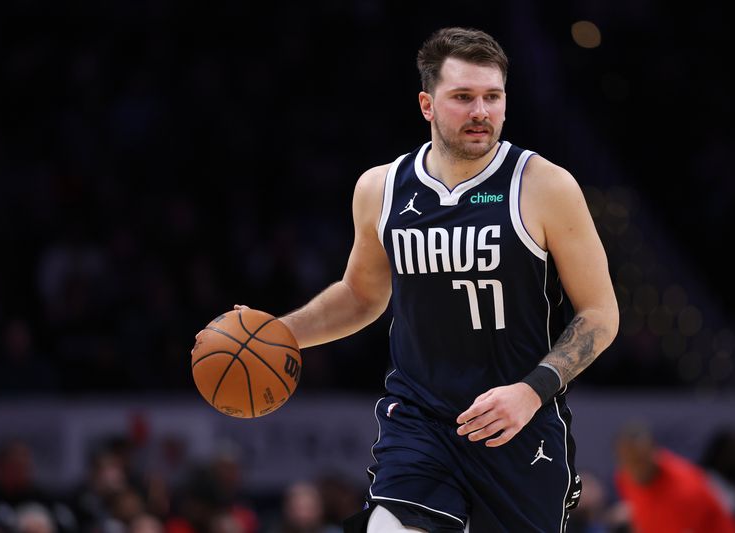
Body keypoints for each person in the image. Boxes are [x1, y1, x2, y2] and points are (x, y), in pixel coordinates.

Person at [239, 27, 618, 532]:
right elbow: (360, 295)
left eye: (493, 97)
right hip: (420, 422)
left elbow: (600, 314)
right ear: (427, 105)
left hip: (520, 427)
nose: (481, 111)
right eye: (463, 97)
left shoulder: (545, 185)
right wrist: (279, 335)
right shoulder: (381, 188)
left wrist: (531, 390)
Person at [614, 421, 735, 533]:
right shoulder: (624, 478)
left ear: (654, 453)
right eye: (627, 459)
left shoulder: (685, 488)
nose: (634, 467)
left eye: (639, 459)